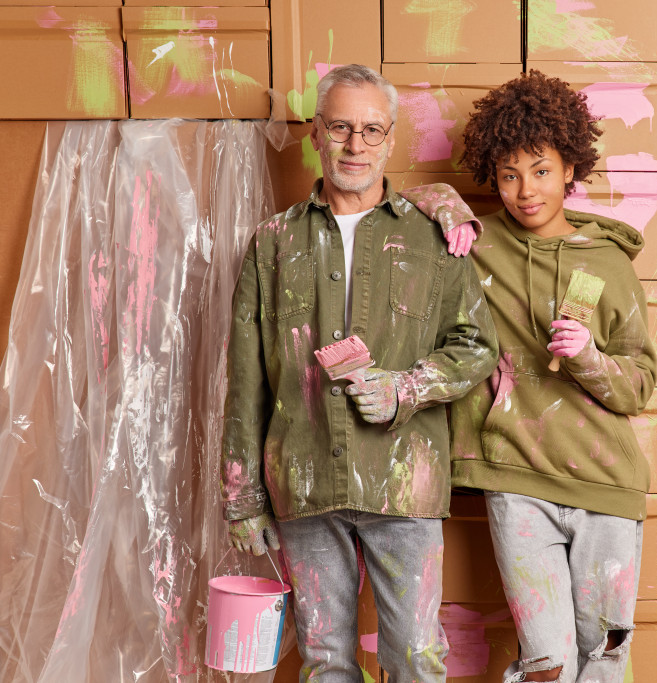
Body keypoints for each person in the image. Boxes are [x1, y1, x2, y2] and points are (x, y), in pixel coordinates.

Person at [220, 64, 498, 682]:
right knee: (324, 662)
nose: (356, 144)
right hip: (304, 476)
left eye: (372, 130)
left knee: (416, 657)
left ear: (391, 138)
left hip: (405, 483)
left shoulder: (434, 238)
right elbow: (246, 381)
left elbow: (477, 345)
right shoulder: (272, 243)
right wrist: (242, 499)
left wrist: (404, 388)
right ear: (316, 133)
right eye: (341, 127)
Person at [449, 71, 657, 683]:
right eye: (509, 174)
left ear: (570, 167)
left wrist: (591, 357)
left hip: (605, 487)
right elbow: (392, 207)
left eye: (540, 170)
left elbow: (642, 383)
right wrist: (442, 208)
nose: (524, 190)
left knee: (604, 658)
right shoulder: (476, 243)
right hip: (517, 483)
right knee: (548, 663)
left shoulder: (609, 265)